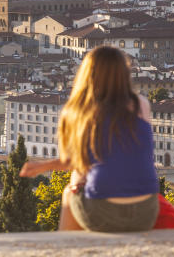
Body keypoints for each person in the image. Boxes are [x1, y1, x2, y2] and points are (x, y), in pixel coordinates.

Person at [20, 45, 160, 232]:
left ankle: (68, 251)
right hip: (146, 211)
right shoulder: (140, 104)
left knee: (70, 190)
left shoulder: (78, 111)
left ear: (87, 73)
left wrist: (42, 166)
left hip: (102, 211)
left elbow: (73, 162)